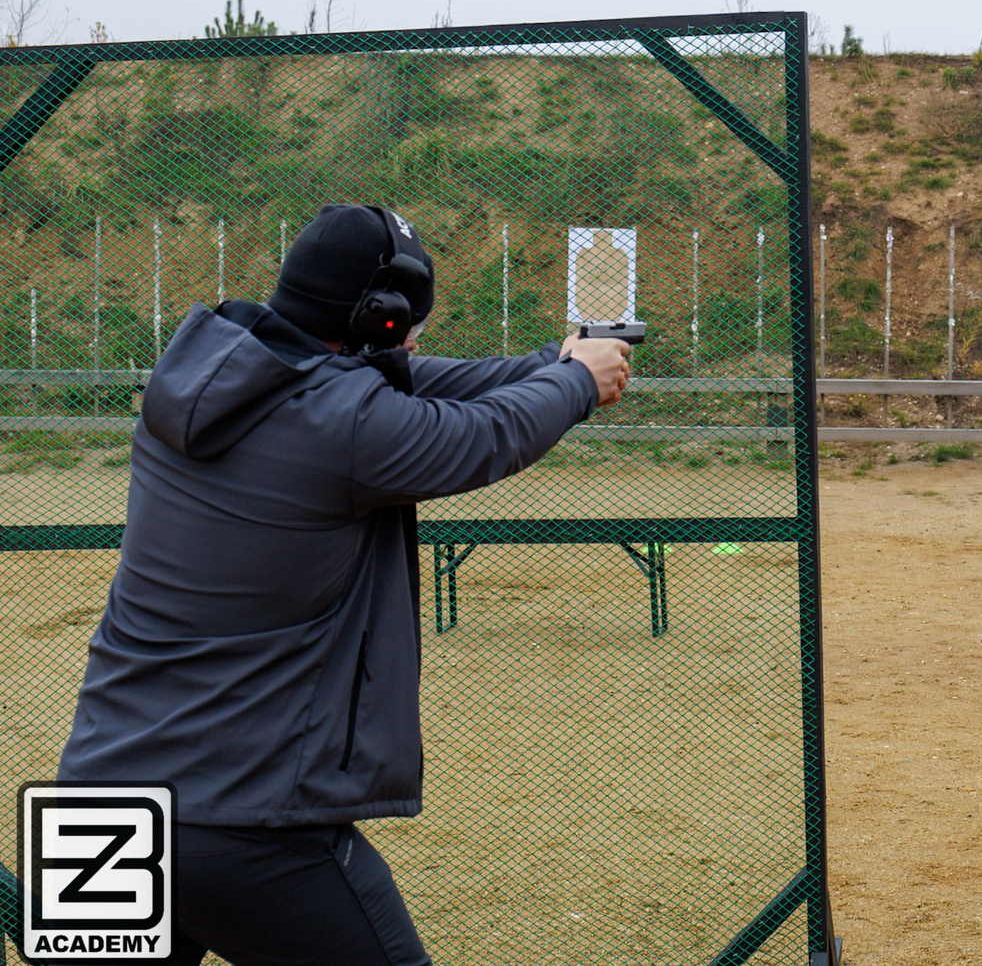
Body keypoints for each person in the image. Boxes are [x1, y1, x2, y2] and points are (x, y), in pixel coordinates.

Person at [57, 204, 630, 966]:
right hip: (241, 820)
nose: (414, 339)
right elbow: (482, 435)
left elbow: (416, 379)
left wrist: (554, 364)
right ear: (377, 318)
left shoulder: (204, 371)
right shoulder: (346, 425)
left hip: (99, 802)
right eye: (409, 323)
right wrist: (578, 386)